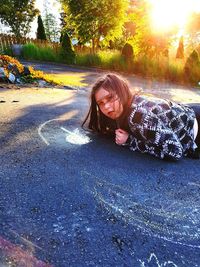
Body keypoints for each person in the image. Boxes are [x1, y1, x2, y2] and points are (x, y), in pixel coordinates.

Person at [82, 73, 200, 160]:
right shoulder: (124, 106)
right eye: (101, 103)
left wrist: (130, 141)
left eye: (110, 98)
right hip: (182, 110)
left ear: (121, 91)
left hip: (194, 124)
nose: (106, 107)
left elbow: (174, 151)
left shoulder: (141, 117)